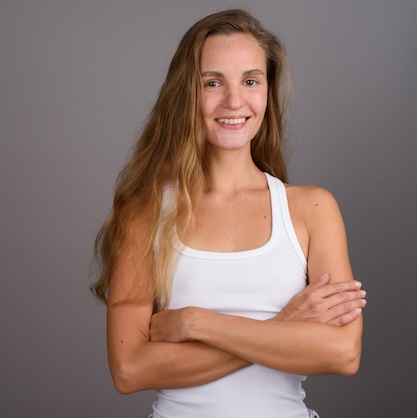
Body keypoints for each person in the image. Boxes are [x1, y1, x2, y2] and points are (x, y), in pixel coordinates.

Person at [90, 8, 366, 418]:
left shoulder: (312, 209)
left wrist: (198, 324)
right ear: (186, 94)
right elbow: (129, 370)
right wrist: (282, 329)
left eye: (250, 81)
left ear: (267, 92)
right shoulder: (145, 213)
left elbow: (343, 353)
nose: (234, 101)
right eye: (213, 82)